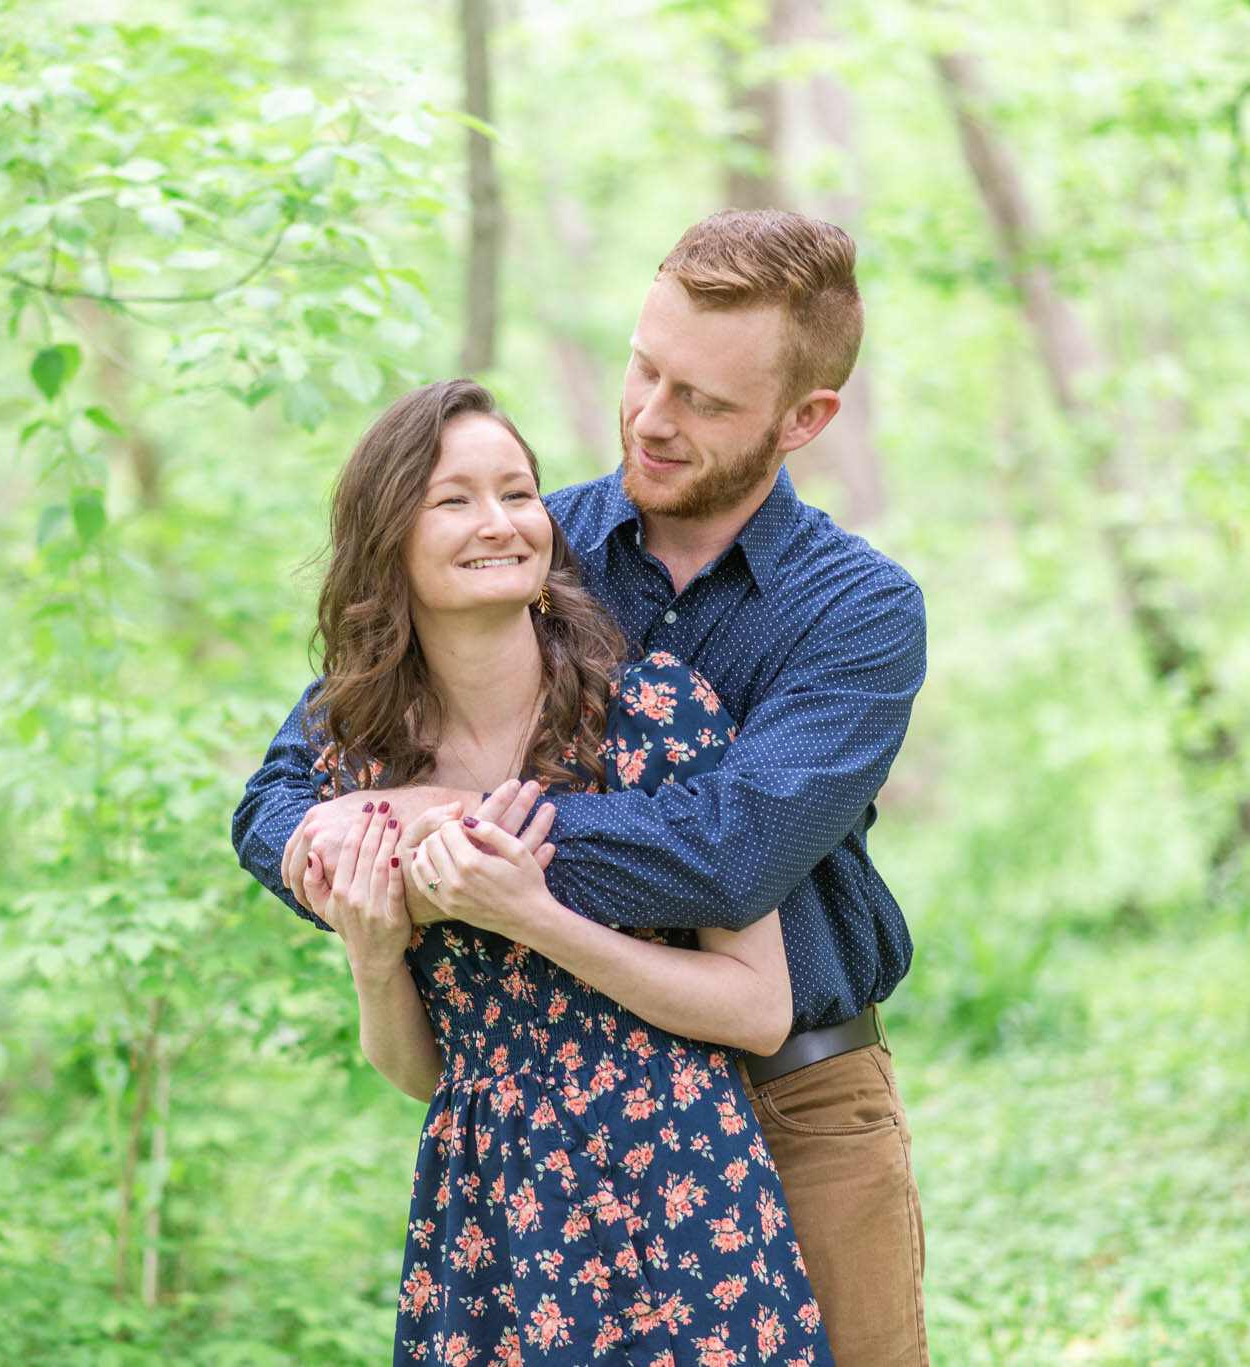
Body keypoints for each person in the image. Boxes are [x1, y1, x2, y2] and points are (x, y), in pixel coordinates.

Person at [235, 209, 928, 1367]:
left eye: (703, 400)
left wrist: (454, 838)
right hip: (542, 1124)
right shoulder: (524, 539)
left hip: (794, 1097)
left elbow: (728, 851)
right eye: (643, 367)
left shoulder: (852, 609)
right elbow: (283, 793)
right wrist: (357, 864)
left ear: (803, 419)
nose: (651, 417)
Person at [286, 376, 832, 1366]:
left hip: (680, 1187)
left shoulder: (656, 713)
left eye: (518, 492)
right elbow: (426, 1073)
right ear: (388, 542)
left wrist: (534, 916)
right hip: (491, 1211)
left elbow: (756, 1008)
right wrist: (372, 958)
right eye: (453, 500)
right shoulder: (361, 766)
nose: (498, 522)